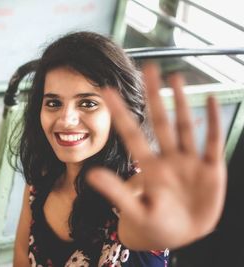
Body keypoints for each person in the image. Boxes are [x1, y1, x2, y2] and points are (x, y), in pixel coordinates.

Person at [13, 31, 227, 267]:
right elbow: (22, 257)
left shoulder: (133, 190)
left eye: (88, 103)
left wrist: (169, 228)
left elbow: (140, 227)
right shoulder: (41, 178)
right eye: (53, 103)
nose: (66, 120)